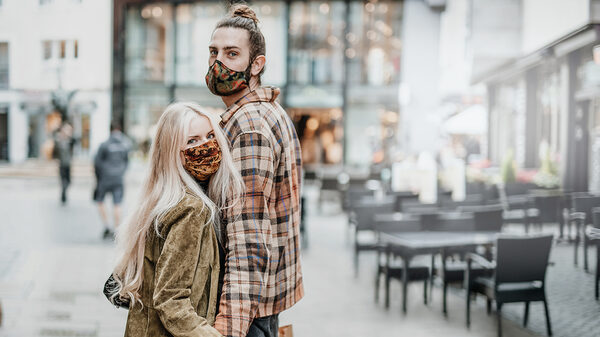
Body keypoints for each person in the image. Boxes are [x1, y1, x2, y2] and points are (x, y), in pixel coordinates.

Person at [105, 102, 244, 336]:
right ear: (171, 151)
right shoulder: (191, 209)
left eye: (210, 136)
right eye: (192, 141)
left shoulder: (162, 200)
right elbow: (170, 299)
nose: (206, 146)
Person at [207, 4, 304, 337]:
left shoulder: (249, 127)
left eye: (232, 53)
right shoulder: (266, 111)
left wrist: (227, 329)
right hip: (261, 308)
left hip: (245, 314)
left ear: (256, 64)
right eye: (214, 52)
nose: (218, 62)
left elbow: (249, 241)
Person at [94, 122, 130, 239]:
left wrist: (99, 177)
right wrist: (121, 172)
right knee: (117, 203)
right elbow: (126, 162)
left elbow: (97, 163)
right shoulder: (124, 145)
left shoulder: (104, 144)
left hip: (105, 177)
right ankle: (116, 229)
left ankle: (107, 226)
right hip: (118, 178)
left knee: (100, 201)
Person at [53, 122, 75, 204]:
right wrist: (56, 160)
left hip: (68, 163)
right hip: (61, 163)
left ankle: (64, 192)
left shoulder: (70, 140)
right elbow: (55, 152)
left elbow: (75, 140)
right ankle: (63, 195)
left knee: (69, 181)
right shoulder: (58, 140)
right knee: (63, 180)